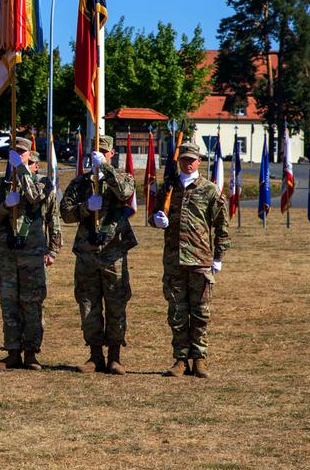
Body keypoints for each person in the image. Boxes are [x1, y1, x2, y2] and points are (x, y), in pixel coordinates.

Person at [151, 142, 231, 379]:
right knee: (177, 312)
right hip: (174, 260)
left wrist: (218, 257)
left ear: (199, 162)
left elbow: (222, 226)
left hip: (200, 259)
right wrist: (157, 220)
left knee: (200, 313)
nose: (188, 163)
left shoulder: (210, 190)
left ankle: (199, 359)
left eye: (192, 160)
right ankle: (180, 359)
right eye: (184, 159)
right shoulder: (169, 188)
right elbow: (155, 215)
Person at [60, 136, 138, 375]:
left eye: (104, 152)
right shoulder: (80, 183)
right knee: (88, 304)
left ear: (111, 154)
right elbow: (66, 214)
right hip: (87, 253)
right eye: (96, 152)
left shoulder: (123, 177)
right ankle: (95, 356)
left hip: (113, 253)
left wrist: (104, 168)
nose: (100, 155)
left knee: (116, 304)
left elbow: (125, 193)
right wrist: (86, 208)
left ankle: (115, 356)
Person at [0, 138, 62, 370]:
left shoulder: (43, 183)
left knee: (32, 304)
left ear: (30, 154)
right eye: (15, 152)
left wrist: (53, 250)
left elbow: (42, 205)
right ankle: (12, 352)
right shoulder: (0, 186)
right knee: (9, 304)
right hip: (7, 255)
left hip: (32, 254)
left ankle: (31, 353)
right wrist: (5, 206)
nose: (18, 155)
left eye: (22, 152)